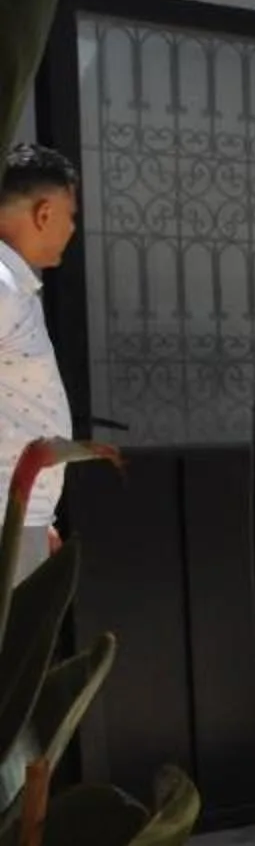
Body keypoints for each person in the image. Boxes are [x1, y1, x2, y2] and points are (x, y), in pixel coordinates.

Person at [0, 146, 79, 583]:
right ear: (45, 212)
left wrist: (35, 517)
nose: (71, 229)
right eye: (71, 214)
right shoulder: (2, 285)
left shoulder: (13, 286)